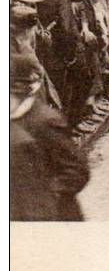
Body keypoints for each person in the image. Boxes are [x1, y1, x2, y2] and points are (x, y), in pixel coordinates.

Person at [10, 54, 90, 221]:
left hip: (55, 217)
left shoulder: (46, 121)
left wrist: (45, 192)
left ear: (20, 89)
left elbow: (77, 171)